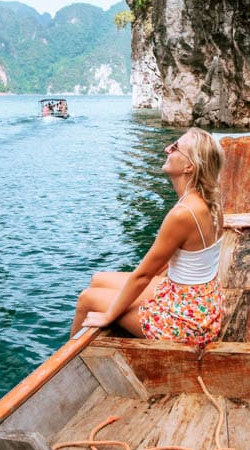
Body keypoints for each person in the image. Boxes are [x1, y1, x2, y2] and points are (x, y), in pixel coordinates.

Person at [70, 128, 226, 345]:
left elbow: (143, 276)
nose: (167, 149)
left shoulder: (183, 214)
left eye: (175, 148)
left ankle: (69, 365)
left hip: (190, 321)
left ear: (189, 166)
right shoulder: (210, 201)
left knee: (87, 299)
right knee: (98, 279)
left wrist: (108, 316)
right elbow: (174, 262)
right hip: (201, 301)